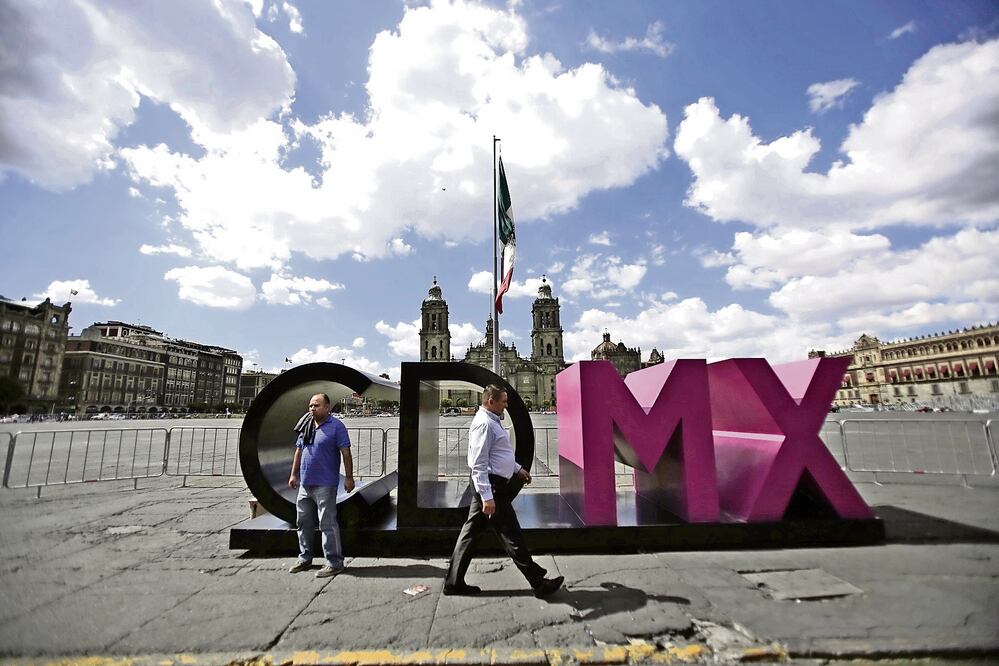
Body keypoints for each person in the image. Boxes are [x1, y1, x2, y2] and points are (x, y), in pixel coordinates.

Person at [444, 384, 564, 597]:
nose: (506, 405)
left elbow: (498, 454)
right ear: (491, 401)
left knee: (470, 533)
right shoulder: (484, 424)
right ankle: (538, 582)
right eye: (503, 402)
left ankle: (454, 582)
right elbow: (479, 464)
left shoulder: (492, 421)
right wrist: (487, 497)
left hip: (491, 484)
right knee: (512, 535)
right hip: (491, 486)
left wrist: (517, 469)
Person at [288, 393, 354, 578]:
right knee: (303, 522)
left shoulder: (337, 427)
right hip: (305, 484)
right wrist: (294, 474)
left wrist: (349, 477)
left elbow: (346, 453)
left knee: (327, 523)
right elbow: (298, 451)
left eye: (316, 405)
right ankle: (305, 558)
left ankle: (334, 562)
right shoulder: (306, 426)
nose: (312, 409)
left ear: (327, 407)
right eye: (310, 405)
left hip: (325, 483)